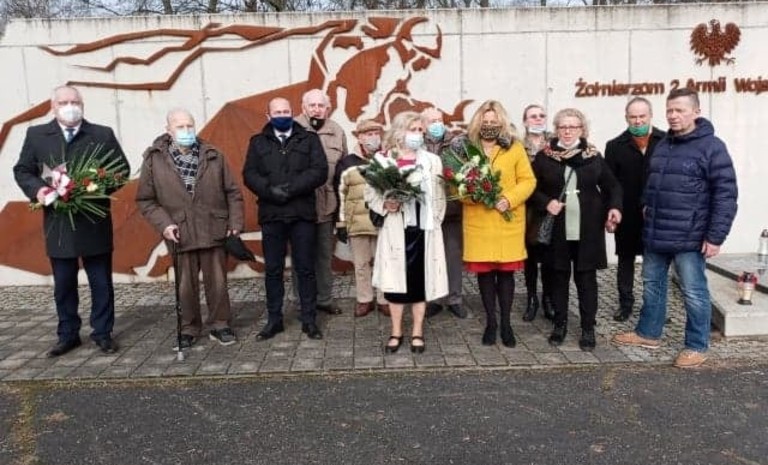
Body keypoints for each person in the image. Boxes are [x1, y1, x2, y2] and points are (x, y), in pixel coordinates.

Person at [613, 88, 738, 368]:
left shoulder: (712, 147)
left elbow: (726, 194)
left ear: (696, 111)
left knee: (693, 292)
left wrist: (716, 236)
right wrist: (646, 204)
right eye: (670, 110)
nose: (673, 115)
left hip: (690, 236)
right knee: (652, 285)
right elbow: (652, 181)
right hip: (656, 232)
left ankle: (696, 345)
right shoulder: (663, 144)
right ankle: (648, 333)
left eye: (680, 110)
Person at [13, 85, 130, 357]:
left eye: (75, 102)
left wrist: (93, 189)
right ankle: (68, 334)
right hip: (59, 223)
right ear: (53, 107)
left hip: (93, 220)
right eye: (64, 102)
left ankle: (103, 332)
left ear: (82, 105)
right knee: (64, 283)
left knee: (101, 282)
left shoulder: (101, 134)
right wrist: (39, 191)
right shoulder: (37, 135)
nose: (70, 107)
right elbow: (23, 170)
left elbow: (120, 170)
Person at [135, 108, 244, 349]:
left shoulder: (213, 154)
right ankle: (189, 327)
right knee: (185, 285)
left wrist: (235, 224)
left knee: (218, 282)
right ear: (168, 130)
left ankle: (220, 325)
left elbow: (233, 193)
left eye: (189, 126)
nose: (186, 131)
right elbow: (146, 200)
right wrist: (165, 224)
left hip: (213, 227)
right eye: (180, 127)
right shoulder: (154, 159)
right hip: (179, 231)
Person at [530, 108, 622, 351]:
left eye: (573, 127)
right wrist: (546, 202)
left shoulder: (593, 156)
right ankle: (559, 324)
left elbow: (612, 185)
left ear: (582, 129)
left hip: (587, 229)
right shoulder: (544, 157)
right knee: (558, 278)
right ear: (556, 130)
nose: (568, 131)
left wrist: (614, 207)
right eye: (563, 127)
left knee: (586, 280)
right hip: (558, 229)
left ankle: (588, 328)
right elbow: (530, 188)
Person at [242, 97, 327, 340]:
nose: (282, 115)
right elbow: (250, 174)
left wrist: (291, 189)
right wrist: (270, 191)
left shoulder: (309, 139)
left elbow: (319, 171)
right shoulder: (258, 142)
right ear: (268, 116)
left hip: (302, 214)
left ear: (293, 112)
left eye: (286, 111)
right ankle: (274, 320)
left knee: (306, 268)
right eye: (277, 112)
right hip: (272, 215)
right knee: (273, 269)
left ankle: (309, 320)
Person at [364, 111, 448, 354]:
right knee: (395, 284)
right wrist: (386, 204)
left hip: (424, 230)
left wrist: (436, 219)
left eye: (421, 130)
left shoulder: (432, 160)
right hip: (396, 229)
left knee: (420, 283)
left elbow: (440, 194)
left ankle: (418, 331)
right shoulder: (383, 160)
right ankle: (396, 331)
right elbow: (369, 193)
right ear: (400, 131)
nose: (418, 134)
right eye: (413, 129)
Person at [462, 100, 537, 347]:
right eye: (485, 121)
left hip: (507, 222)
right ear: (477, 122)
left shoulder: (514, 148)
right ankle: (491, 322)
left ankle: (506, 323)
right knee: (485, 275)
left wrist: (509, 199)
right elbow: (455, 185)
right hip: (480, 222)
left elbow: (527, 181)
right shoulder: (467, 149)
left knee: (506, 274)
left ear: (502, 123)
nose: (489, 125)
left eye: (494, 122)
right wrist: (473, 195)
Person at [604, 97, 666, 322]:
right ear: (626, 118)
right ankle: (625, 304)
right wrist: (611, 211)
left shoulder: (666, 141)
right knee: (625, 260)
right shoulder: (614, 146)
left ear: (650, 116)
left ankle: (655, 307)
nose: (638, 121)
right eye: (633, 117)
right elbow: (610, 183)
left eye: (642, 116)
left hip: (658, 213)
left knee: (656, 262)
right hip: (626, 213)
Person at [294, 88, 348, 316]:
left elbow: (343, 171)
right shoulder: (292, 129)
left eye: (321, 105)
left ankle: (324, 299)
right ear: (303, 107)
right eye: (312, 105)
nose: (316, 109)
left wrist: (342, 213)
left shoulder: (337, 131)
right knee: (301, 256)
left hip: (327, 204)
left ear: (328, 108)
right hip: (299, 205)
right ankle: (302, 302)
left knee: (324, 256)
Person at [333, 119, 390, 318]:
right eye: (368, 134)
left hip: (382, 221)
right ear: (359, 137)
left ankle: (384, 299)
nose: (373, 137)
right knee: (361, 264)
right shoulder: (347, 163)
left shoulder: (387, 159)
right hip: (357, 222)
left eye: (376, 133)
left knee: (384, 262)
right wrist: (341, 223)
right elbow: (340, 194)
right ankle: (364, 299)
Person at [421, 107, 468, 319]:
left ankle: (454, 299)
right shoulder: (418, 144)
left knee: (452, 255)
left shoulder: (457, 144)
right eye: (432, 121)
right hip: (426, 211)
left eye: (439, 120)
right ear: (423, 125)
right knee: (430, 256)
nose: (437, 124)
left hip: (451, 209)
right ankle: (434, 299)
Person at [521, 104, 555, 322]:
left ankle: (548, 298)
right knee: (531, 256)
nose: (538, 119)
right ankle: (532, 298)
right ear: (525, 121)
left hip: (549, 205)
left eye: (541, 115)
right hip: (527, 207)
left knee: (550, 255)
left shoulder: (555, 142)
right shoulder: (518, 145)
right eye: (533, 116)